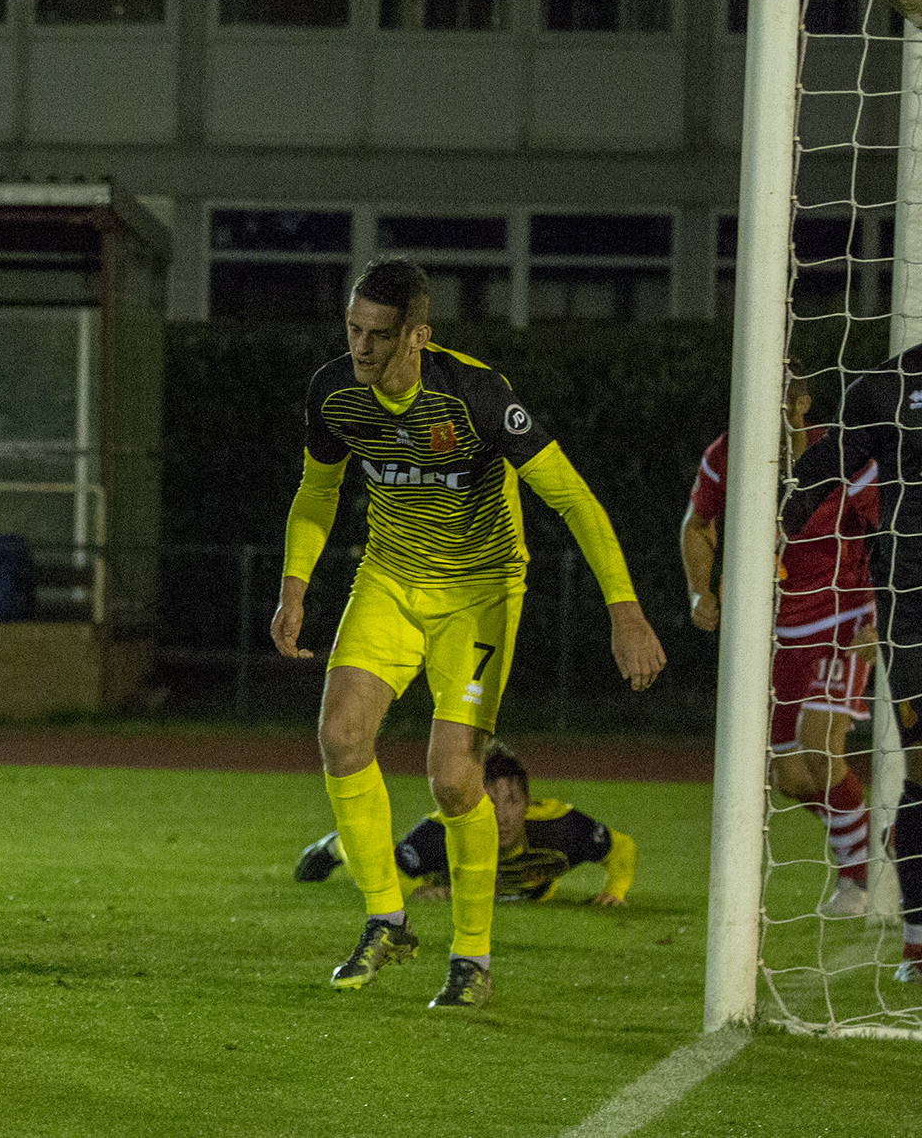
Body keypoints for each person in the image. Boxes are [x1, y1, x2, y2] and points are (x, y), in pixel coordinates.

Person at [270, 256, 666, 1009]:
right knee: (341, 736)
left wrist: (625, 609)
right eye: (353, 330)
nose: (361, 348)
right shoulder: (335, 393)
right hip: (387, 580)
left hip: (480, 593)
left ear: (418, 335)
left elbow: (575, 501)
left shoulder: (476, 394)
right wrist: (294, 590)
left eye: (379, 335)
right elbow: (317, 492)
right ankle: (386, 917)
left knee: (453, 777)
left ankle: (472, 958)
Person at [683, 372, 879, 918]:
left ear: (799, 406)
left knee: (820, 744)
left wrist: (879, 616)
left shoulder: (840, 456)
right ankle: (862, 832)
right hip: (773, 630)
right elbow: (698, 525)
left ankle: (857, 882)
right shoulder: (725, 457)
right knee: (786, 775)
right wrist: (700, 591)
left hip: (844, 612)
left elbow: (888, 530)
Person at [783, 344, 922, 982]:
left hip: (856, 617)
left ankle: (866, 880)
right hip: (892, 610)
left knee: (821, 754)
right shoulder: (889, 386)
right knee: (797, 772)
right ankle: (916, 938)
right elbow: (829, 461)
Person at [295, 742, 638, 906]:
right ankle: (336, 844)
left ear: (529, 803)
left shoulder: (562, 826)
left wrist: (616, 891)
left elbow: (621, 847)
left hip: (524, 894)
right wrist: (415, 891)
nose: (502, 815)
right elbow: (388, 875)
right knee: (371, 861)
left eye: (513, 802)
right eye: (490, 803)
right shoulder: (441, 831)